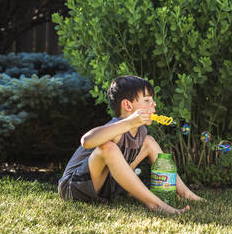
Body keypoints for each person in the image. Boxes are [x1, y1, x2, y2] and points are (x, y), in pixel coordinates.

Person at [58, 75, 202, 214]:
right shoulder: (115, 128)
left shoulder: (142, 131)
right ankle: (155, 204)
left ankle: (185, 193)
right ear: (127, 105)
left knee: (149, 141)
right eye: (147, 100)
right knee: (108, 148)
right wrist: (129, 123)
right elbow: (86, 141)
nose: (154, 104)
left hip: (106, 187)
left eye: (152, 100)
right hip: (74, 187)